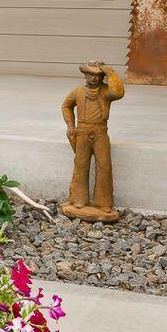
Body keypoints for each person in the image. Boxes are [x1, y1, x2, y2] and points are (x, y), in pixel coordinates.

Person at [61, 60, 125, 223]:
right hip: (82, 132)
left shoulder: (105, 92)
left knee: (104, 166)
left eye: (98, 75)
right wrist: (70, 125)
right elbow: (66, 106)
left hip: (100, 132)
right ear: (85, 75)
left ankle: (104, 203)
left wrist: (110, 73)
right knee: (81, 165)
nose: (95, 79)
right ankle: (78, 200)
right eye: (91, 75)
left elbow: (118, 93)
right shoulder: (78, 91)